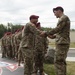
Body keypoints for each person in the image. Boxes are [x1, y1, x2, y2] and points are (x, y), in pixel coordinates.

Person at [41, 6, 70, 75]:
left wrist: (46, 33)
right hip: (62, 42)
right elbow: (61, 32)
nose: (54, 14)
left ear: (59, 11)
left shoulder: (63, 18)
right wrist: (53, 36)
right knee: (61, 62)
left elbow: (58, 29)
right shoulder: (63, 18)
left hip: (62, 43)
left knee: (58, 61)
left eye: (55, 12)